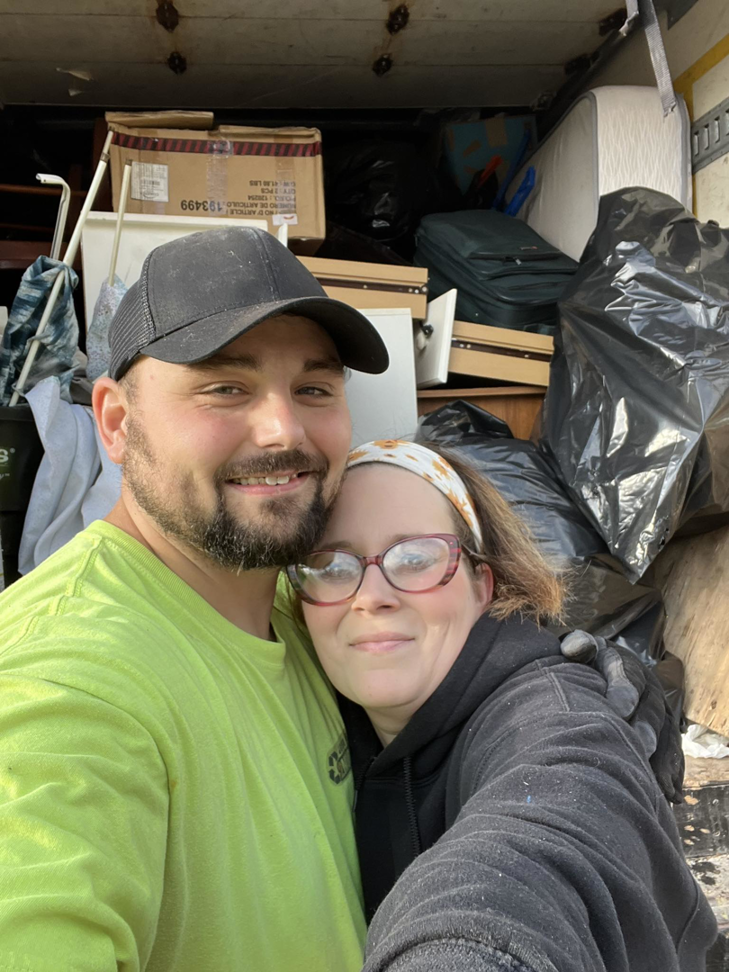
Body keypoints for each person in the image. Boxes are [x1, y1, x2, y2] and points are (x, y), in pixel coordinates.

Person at [0, 227, 681, 971]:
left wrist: (578, 704)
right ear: (116, 423)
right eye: (225, 386)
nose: (283, 430)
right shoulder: (62, 682)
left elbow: (512, 764)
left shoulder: (305, 613)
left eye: (314, 388)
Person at [288, 439, 717, 972]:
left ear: (482, 585)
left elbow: (550, 826)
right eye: (331, 565)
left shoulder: (551, 717)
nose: (370, 594)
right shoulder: (314, 711)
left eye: (417, 557)